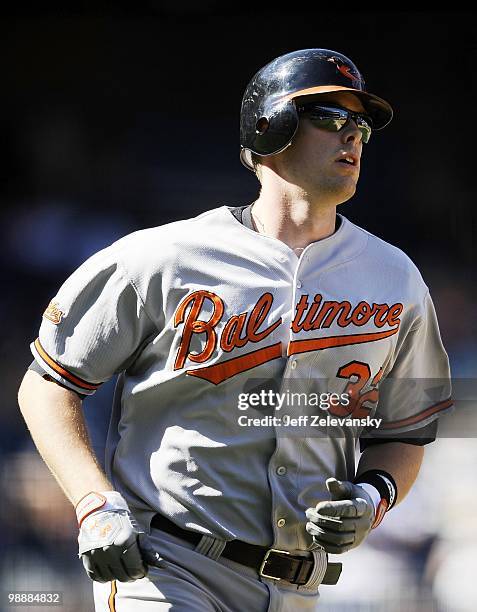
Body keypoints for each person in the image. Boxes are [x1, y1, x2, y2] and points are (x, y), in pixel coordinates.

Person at [18, 48, 452, 612]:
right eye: (331, 117)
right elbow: (48, 383)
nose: (353, 136)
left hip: (301, 587)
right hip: (170, 568)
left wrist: (374, 495)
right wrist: (94, 503)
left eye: (361, 124)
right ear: (268, 126)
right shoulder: (164, 257)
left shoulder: (396, 277)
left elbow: (406, 432)